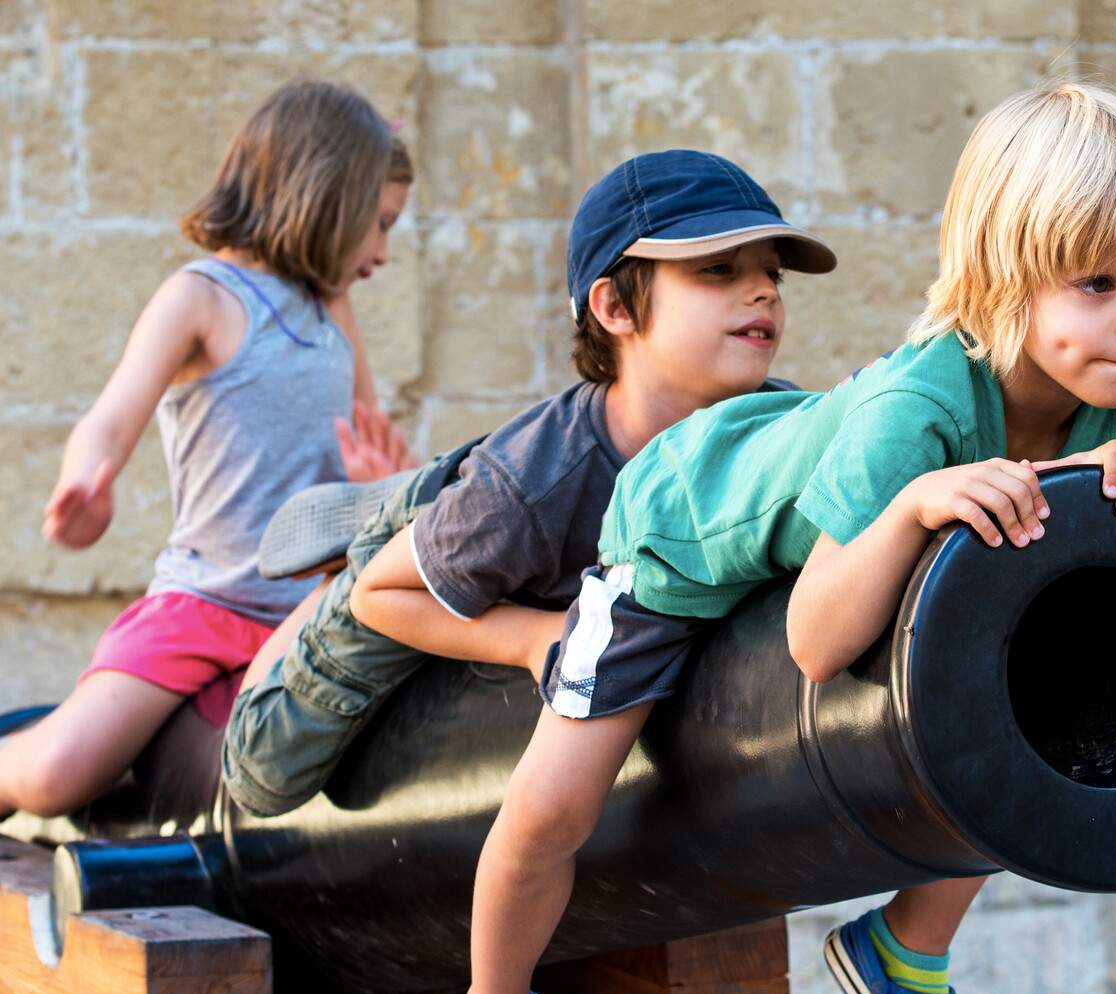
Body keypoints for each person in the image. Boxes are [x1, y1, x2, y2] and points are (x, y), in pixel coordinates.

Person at [433, 80, 1116, 994]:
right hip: (686, 531)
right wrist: (909, 509)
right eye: (1097, 283)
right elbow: (813, 639)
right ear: (1005, 276)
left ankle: (905, 952)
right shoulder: (921, 406)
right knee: (549, 809)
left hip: (828, 529)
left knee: (1030, 697)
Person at [216, 151, 834, 850]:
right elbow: (380, 602)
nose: (763, 294)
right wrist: (531, 639)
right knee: (262, 775)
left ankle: (430, 521)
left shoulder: (781, 430)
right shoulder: (537, 483)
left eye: (771, 276)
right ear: (614, 307)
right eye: (718, 270)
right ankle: (386, 533)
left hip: (530, 559)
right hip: (415, 572)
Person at [0, 80, 414, 834]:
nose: (385, 253)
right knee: (68, 772)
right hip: (207, 603)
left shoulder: (333, 310)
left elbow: (372, 439)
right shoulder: (201, 298)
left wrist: (383, 486)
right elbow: (108, 419)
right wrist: (87, 480)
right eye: (379, 224)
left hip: (308, 605)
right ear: (325, 196)